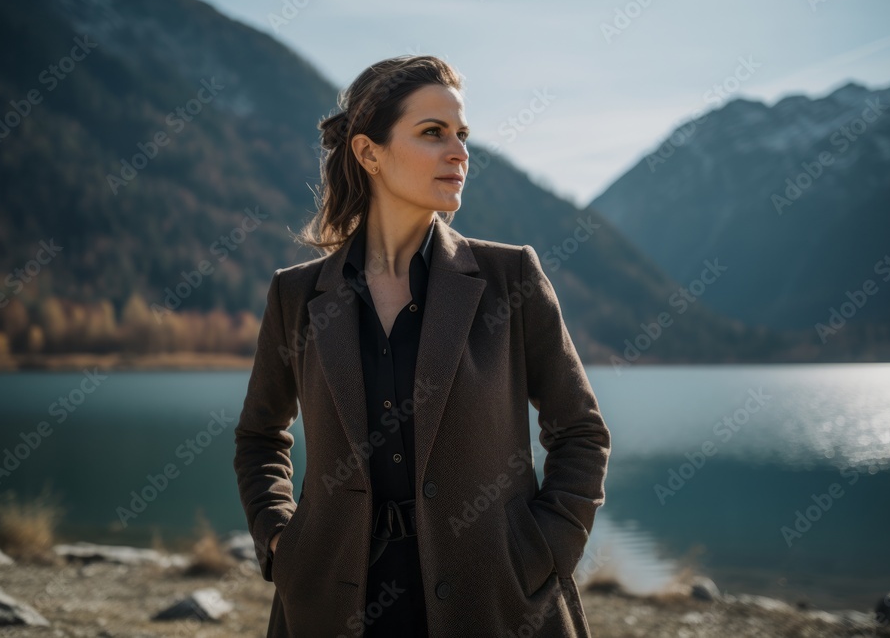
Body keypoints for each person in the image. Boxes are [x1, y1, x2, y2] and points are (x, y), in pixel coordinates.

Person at [233, 54, 611, 637]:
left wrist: (543, 548)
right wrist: (282, 539)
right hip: (328, 605)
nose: (459, 152)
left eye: (462, 134)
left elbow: (581, 431)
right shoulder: (297, 294)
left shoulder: (511, 277)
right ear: (369, 153)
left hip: (496, 602)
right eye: (433, 133)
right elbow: (260, 435)